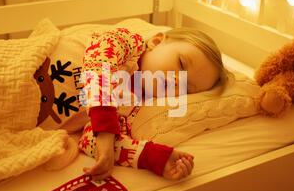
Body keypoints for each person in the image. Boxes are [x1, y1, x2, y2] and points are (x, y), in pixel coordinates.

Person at [35, 26, 232, 181]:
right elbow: (99, 63)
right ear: (157, 41)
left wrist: (155, 158)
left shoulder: (133, 107)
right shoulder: (125, 43)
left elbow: (92, 140)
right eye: (181, 64)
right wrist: (105, 127)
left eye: (187, 88)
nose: (177, 81)